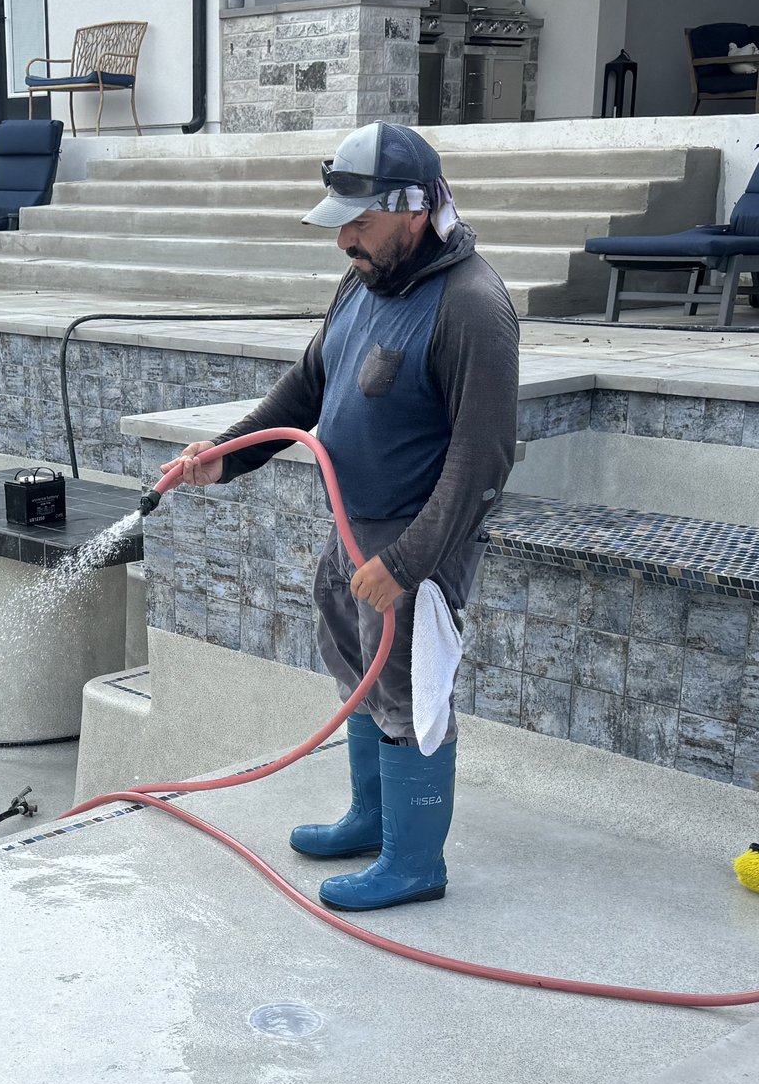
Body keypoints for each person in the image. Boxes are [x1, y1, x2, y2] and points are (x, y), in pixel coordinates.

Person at [158, 121, 518, 911]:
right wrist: (224, 454)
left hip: (418, 542)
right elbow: (306, 388)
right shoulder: (362, 284)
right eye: (339, 221)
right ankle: (370, 817)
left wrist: (411, 561)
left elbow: (482, 462)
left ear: (416, 210)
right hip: (355, 531)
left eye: (360, 222)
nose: (344, 238)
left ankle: (416, 861)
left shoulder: (471, 307)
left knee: (407, 692)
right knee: (354, 672)